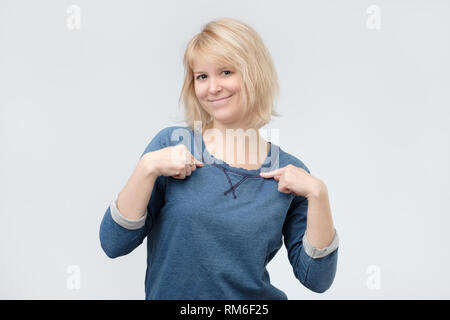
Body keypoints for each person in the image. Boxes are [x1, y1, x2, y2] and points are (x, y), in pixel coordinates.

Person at [99, 18, 339, 300]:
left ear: (253, 74)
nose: (212, 88)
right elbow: (114, 244)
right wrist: (146, 168)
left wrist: (319, 194)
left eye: (226, 72)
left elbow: (317, 280)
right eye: (202, 76)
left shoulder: (290, 172)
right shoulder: (171, 147)